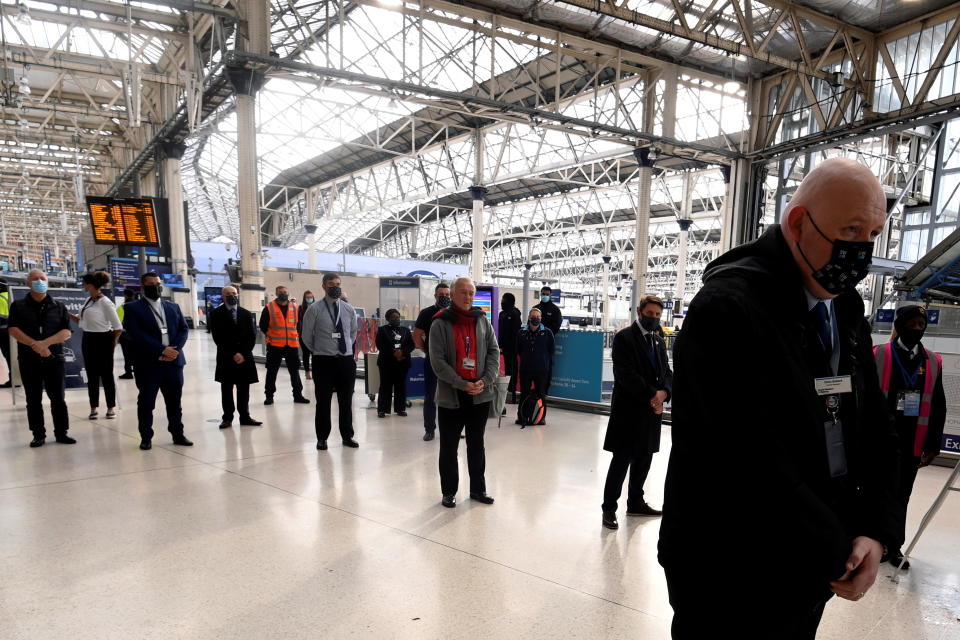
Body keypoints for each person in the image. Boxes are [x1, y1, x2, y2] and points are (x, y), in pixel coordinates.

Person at [658, 158, 903, 639]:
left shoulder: (845, 309)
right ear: (797, 222)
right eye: (850, 229)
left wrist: (875, 530)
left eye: (872, 233)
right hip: (732, 565)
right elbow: (747, 460)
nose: (862, 249)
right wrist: (836, 549)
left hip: (812, 559)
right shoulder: (727, 309)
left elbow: (873, 424)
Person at [874, 305, 946, 570]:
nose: (917, 329)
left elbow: (938, 405)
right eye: (912, 323)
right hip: (879, 441)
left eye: (921, 324)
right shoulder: (878, 355)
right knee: (877, 492)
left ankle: (894, 545)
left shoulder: (932, 361)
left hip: (911, 442)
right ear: (901, 324)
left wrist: (932, 445)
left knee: (902, 495)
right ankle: (873, 542)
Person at [600, 296, 672, 530]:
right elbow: (625, 375)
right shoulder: (624, 338)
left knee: (644, 460)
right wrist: (653, 395)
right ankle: (609, 508)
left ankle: (636, 502)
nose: (654, 319)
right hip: (629, 412)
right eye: (650, 314)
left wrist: (664, 394)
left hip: (651, 413)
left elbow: (667, 372)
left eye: (657, 315)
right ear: (639, 312)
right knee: (621, 461)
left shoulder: (659, 341)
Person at [429, 276, 500, 508]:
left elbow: (493, 351)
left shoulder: (482, 321)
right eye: (463, 292)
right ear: (452, 294)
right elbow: (437, 361)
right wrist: (461, 383)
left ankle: (478, 489)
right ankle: (449, 491)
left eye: (471, 293)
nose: (468, 297)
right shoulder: (440, 323)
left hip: (479, 393)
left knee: (476, 444)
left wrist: (485, 380)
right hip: (452, 395)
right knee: (449, 446)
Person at [122, 272, 194, 450]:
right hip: (148, 364)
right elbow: (136, 334)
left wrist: (174, 350)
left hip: (173, 363)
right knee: (146, 402)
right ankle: (146, 436)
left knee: (174, 402)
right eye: (151, 284)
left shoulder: (173, 307)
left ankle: (178, 433)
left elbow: (183, 330)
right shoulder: (132, 308)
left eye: (158, 283)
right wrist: (162, 349)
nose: (156, 286)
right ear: (143, 287)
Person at [7, 269, 74, 447]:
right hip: (29, 359)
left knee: (58, 398)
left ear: (48, 282)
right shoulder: (18, 306)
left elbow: (67, 331)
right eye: (35, 279)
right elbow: (13, 330)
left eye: (42, 278)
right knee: (33, 399)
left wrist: (45, 344)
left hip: (54, 358)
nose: (39, 281)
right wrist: (34, 345)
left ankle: (62, 433)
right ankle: (38, 434)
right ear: (28, 283)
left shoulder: (59, 306)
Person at [302, 273, 360, 450]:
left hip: (345, 361)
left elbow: (352, 333)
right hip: (323, 361)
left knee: (345, 401)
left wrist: (344, 349)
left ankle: (347, 436)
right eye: (331, 284)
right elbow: (306, 336)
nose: (335, 287)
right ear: (323, 287)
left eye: (338, 284)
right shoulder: (314, 309)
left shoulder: (349, 309)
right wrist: (321, 350)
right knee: (323, 401)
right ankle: (322, 438)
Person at [69, 271, 123, 420]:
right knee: (92, 375)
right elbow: (82, 322)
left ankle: (110, 407)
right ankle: (93, 407)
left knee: (106, 375)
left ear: (90, 285)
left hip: (104, 339)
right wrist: (67, 314)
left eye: (85, 283)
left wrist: (112, 343)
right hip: (88, 339)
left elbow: (118, 327)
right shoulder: (89, 301)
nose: (83, 286)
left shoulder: (105, 302)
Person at [209, 285, 262, 429]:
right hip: (226, 357)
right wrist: (233, 353)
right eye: (228, 294)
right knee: (226, 388)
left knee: (244, 388)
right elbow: (218, 338)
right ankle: (227, 418)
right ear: (223, 296)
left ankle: (245, 416)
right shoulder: (216, 314)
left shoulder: (246, 314)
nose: (232, 296)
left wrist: (243, 353)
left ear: (238, 295)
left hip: (245, 357)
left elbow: (252, 336)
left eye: (234, 293)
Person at [259, 285, 309, 406]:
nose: (283, 294)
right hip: (275, 345)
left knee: (294, 371)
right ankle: (269, 396)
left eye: (285, 292)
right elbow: (263, 325)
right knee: (272, 371)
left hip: (291, 345)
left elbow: (298, 325)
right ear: (276, 294)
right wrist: (271, 335)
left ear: (288, 293)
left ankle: (298, 395)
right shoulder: (269, 308)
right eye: (281, 292)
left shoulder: (294, 307)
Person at [414, 282, 451, 441]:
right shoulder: (426, 313)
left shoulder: (455, 312)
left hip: (452, 361)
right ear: (435, 296)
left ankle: (453, 428)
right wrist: (426, 350)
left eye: (447, 295)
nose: (444, 297)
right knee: (430, 395)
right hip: (433, 360)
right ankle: (429, 429)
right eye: (441, 295)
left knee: (453, 395)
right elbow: (416, 335)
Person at [515, 308, 554, 427]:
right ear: (529, 318)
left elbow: (551, 351)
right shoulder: (521, 332)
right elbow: (519, 350)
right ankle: (522, 417)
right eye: (533, 316)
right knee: (524, 393)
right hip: (526, 369)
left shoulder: (547, 333)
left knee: (541, 393)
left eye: (538, 316)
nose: (536, 318)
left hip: (541, 369)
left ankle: (541, 418)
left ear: (541, 318)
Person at [375, 308, 415, 418]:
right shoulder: (382, 330)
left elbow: (411, 345)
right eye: (393, 317)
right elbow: (380, 345)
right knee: (385, 386)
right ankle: (382, 410)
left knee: (400, 386)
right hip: (386, 363)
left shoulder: (405, 330)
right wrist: (394, 353)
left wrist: (402, 352)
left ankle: (400, 409)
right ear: (388, 318)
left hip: (402, 363)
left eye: (397, 317)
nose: (396, 319)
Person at [498, 292, 522, 404]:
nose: (502, 302)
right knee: (508, 369)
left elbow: (516, 332)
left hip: (513, 347)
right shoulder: (502, 314)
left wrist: (516, 346)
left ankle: (512, 392)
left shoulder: (515, 313)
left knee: (513, 368)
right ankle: (508, 390)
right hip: (505, 347)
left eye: (504, 299)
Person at [117, 288, 137, 379]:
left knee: (127, 354)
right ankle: (138, 371)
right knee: (137, 353)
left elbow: (118, 322)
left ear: (125, 295)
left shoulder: (122, 307)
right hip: (138, 335)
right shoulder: (139, 305)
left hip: (126, 336)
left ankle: (128, 372)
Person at [298, 290, 316, 381]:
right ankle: (307, 372)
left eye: (311, 297)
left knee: (315, 355)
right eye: (308, 297)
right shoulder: (301, 308)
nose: (310, 299)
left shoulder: (316, 307)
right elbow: (298, 322)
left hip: (315, 336)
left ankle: (315, 372)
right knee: (306, 354)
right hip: (303, 335)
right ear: (305, 299)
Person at [0, 278, 11, 388]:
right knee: (10, 356)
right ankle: (14, 378)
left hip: (2, 331)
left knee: (7, 355)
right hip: (10, 332)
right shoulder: (9, 296)